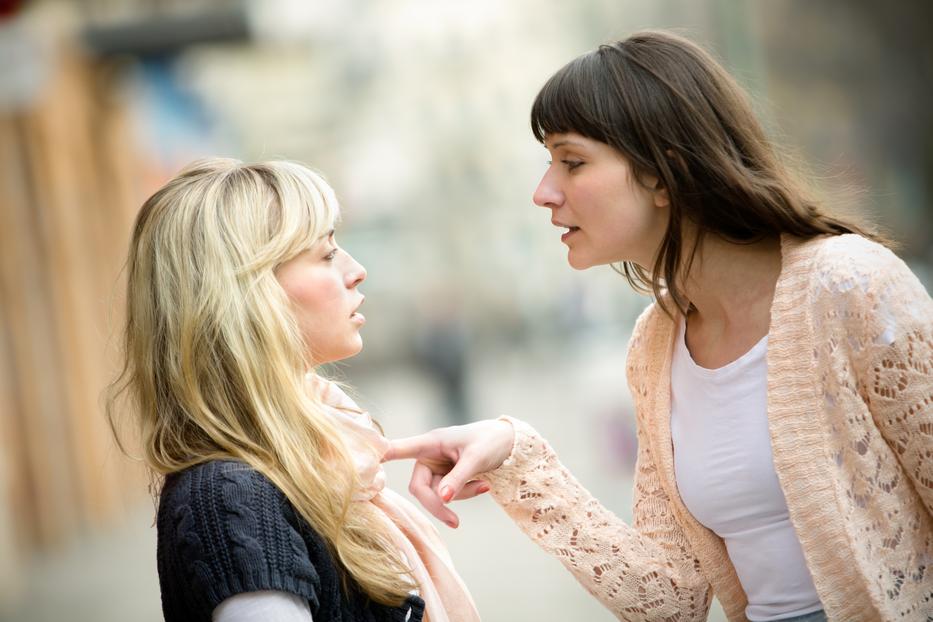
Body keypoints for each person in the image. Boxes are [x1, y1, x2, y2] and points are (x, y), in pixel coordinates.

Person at [384, 31, 933, 622]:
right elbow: (670, 598)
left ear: (663, 175)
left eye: (572, 162)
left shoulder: (848, 286)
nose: (544, 193)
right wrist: (516, 457)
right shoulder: (656, 343)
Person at [107, 158, 481, 622]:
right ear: (246, 293)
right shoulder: (231, 499)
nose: (357, 270)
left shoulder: (318, 455)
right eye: (326, 254)